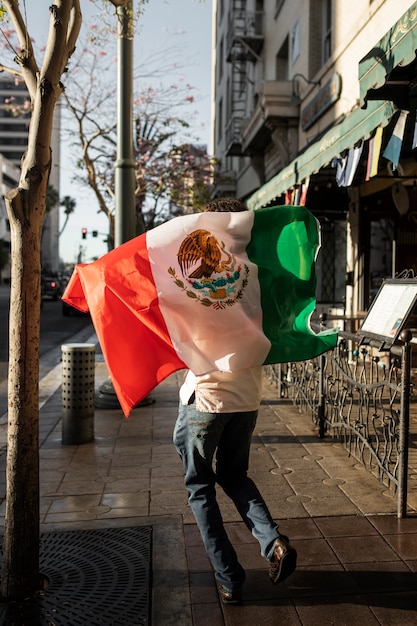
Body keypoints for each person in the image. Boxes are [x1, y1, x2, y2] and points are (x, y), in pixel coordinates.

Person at [173, 197, 297, 605]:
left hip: (205, 399)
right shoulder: (257, 277)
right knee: (235, 475)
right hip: (246, 398)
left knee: (199, 486)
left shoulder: (193, 279)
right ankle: (273, 543)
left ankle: (229, 575)